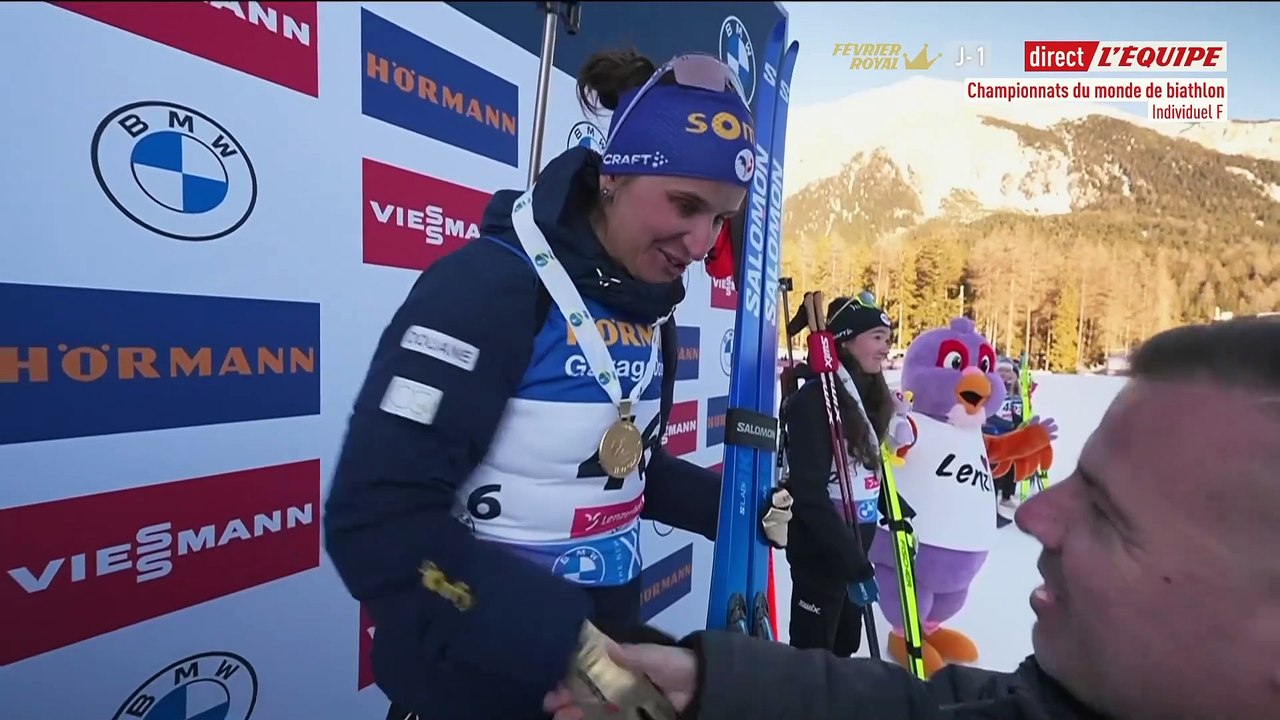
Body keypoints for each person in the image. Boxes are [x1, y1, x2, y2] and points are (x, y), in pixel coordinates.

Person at [323, 48, 788, 720]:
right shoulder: (490, 287)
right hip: (477, 679)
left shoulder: (650, 304)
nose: (698, 241)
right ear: (615, 177)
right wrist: (560, 639)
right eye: (685, 205)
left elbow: (610, 466)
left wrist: (733, 508)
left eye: (720, 218)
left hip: (601, 671)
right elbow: (377, 518)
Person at [545, 316, 1280, 720]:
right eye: (1074, 484)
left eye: (1112, 516)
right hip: (836, 547)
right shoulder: (1076, 699)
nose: (1033, 518)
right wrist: (717, 687)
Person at [779, 293, 909, 657]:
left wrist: (895, 506)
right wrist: (854, 564)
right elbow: (809, 495)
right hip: (823, 556)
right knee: (813, 657)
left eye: (888, 338)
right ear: (848, 341)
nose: (886, 348)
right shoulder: (814, 402)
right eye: (877, 337)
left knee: (844, 649)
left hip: (854, 554)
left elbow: (861, 471)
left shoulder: (867, 399)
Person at [984, 357, 1026, 522]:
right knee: (996, 471)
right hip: (994, 436)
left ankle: (1006, 496)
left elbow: (1018, 416)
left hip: (1009, 436)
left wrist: (1020, 427)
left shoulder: (1016, 393)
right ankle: (990, 507)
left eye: (1008, 372)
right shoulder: (991, 391)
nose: (1005, 375)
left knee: (1012, 465)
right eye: (1001, 371)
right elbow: (989, 414)